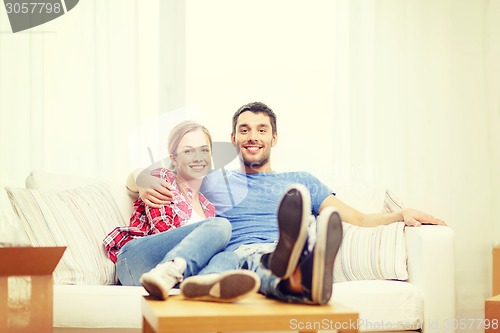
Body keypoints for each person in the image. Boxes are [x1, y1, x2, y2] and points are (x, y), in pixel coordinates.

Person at [131, 102, 446, 305]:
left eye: (261, 129)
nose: (253, 136)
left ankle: (295, 264)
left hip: (270, 255)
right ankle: (295, 277)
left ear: (274, 137)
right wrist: (142, 182)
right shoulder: (213, 179)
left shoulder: (302, 181)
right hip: (231, 256)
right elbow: (153, 174)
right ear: (233, 138)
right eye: (244, 130)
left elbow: (359, 219)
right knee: (247, 259)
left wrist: (400, 215)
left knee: (267, 261)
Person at [103, 120, 260, 301]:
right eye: (188, 151)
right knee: (221, 226)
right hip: (135, 261)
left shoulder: (207, 206)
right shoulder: (163, 178)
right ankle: (169, 270)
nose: (198, 157)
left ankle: (202, 284)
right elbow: (161, 229)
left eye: (204, 150)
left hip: (172, 277)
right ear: (174, 158)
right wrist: (139, 176)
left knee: (229, 257)